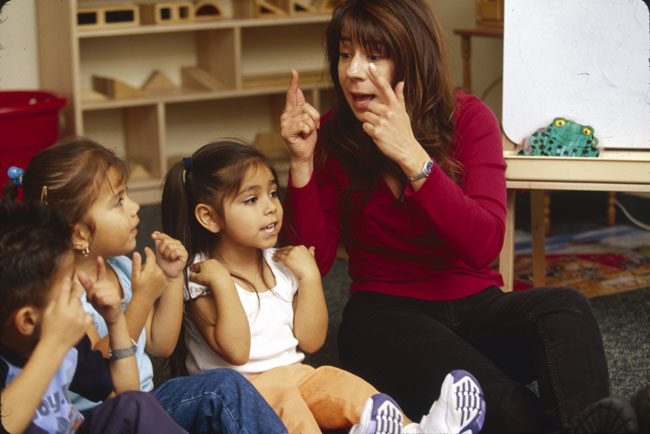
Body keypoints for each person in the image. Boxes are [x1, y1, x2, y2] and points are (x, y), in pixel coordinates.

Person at [279, 0, 650, 433]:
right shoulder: (334, 136)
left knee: (566, 306)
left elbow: (483, 245)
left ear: (411, 56)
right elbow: (314, 262)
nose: (354, 71)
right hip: (384, 317)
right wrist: (302, 164)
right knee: (503, 405)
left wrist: (413, 158)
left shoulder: (471, 119)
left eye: (374, 54)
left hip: (477, 304)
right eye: (345, 54)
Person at [160, 139, 486, 434]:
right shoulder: (199, 275)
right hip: (241, 399)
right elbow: (236, 350)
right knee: (286, 397)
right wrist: (223, 283)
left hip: (294, 375)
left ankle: (414, 431)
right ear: (209, 217)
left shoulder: (281, 261)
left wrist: (310, 277)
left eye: (273, 193)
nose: (271, 206)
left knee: (340, 383)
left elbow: (311, 341)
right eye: (251, 199)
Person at [10, 138, 288, 434]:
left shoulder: (121, 269)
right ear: (79, 234)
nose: (134, 206)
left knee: (225, 384)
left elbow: (161, 343)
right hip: (100, 414)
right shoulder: (64, 296)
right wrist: (141, 299)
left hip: (146, 400)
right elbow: (97, 366)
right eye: (118, 202)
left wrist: (169, 278)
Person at [0, 200, 185, 434]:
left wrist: (115, 321)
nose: (78, 292)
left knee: (134, 407)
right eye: (68, 287)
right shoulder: (51, 343)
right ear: (27, 320)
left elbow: (128, 394)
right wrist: (54, 344)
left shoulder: (71, 345)